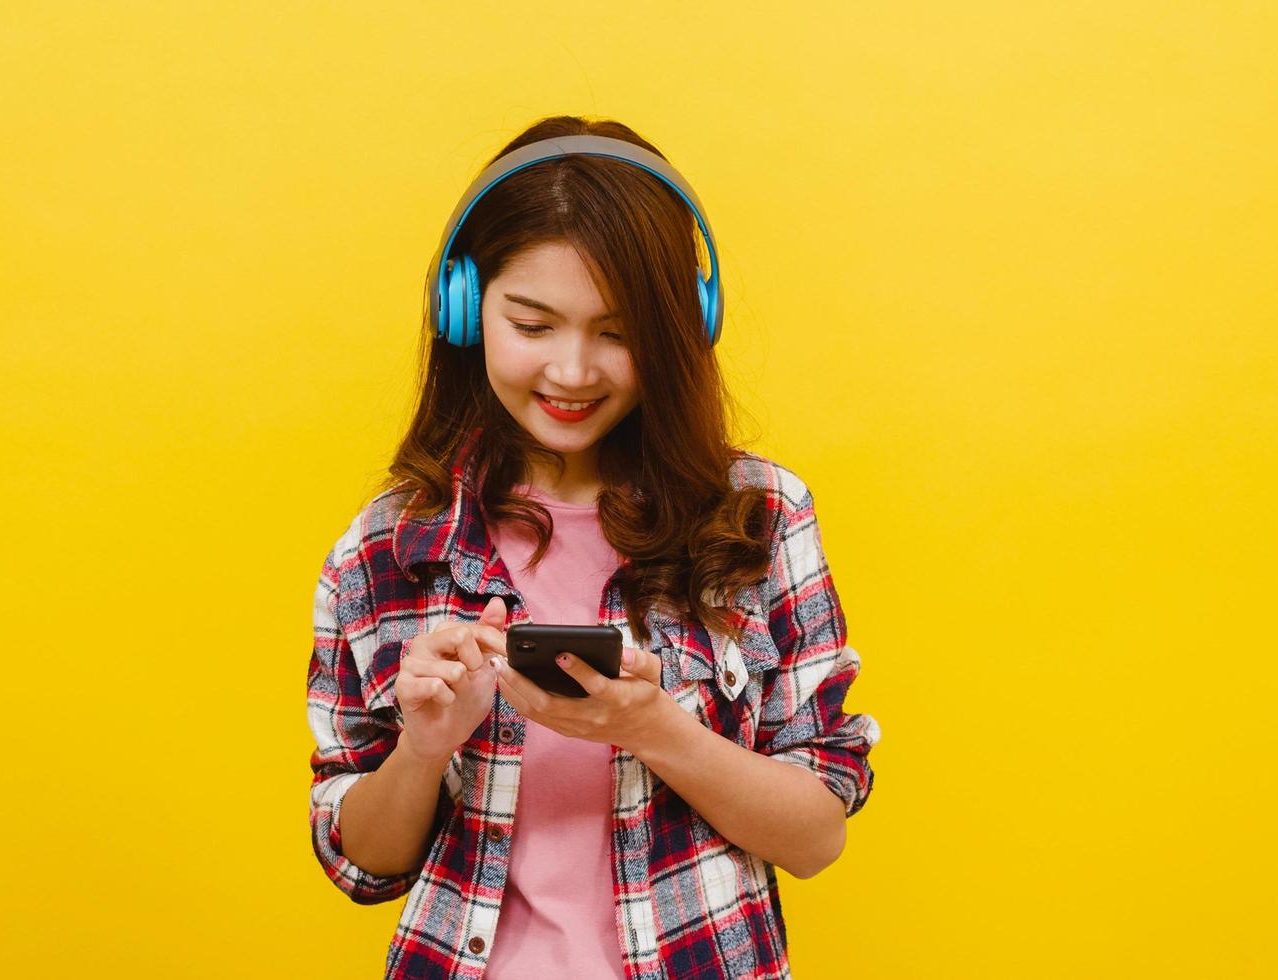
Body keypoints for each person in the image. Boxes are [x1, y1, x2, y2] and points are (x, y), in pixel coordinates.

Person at [305, 114, 880, 980]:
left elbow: (816, 838)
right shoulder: (384, 550)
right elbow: (363, 863)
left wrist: (658, 730)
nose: (572, 373)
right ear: (464, 308)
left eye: (616, 334)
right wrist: (423, 748)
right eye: (533, 325)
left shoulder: (760, 516)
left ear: (684, 327)